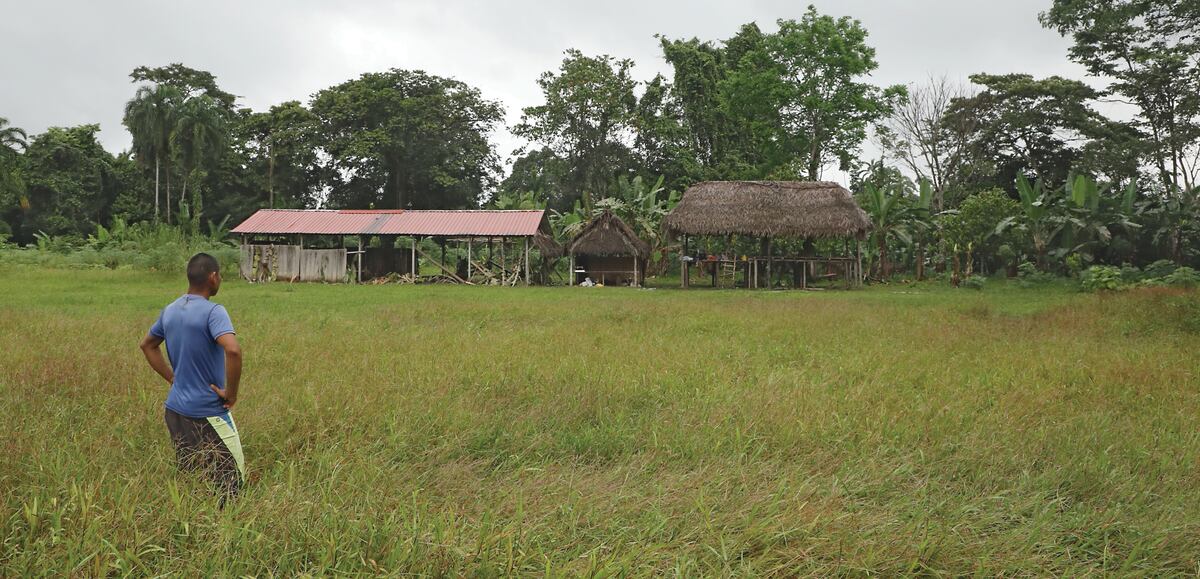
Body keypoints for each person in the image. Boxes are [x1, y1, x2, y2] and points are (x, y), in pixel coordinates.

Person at [139, 253, 245, 502]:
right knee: (232, 485)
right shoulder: (214, 312)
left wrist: (172, 379)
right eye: (220, 276)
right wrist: (231, 394)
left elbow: (147, 345)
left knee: (192, 482)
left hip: (175, 411)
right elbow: (233, 350)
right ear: (212, 277)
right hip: (208, 412)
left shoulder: (171, 310)